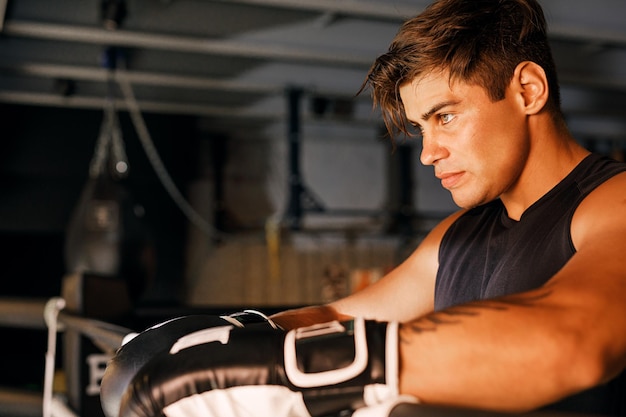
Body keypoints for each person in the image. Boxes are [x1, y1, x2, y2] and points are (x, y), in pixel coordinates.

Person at [103, 0, 626, 416]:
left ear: (528, 90)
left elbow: (575, 337)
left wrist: (304, 368)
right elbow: (339, 315)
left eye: (445, 117)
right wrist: (239, 336)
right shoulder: (456, 237)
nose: (427, 152)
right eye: (421, 128)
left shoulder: (611, 201)